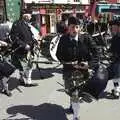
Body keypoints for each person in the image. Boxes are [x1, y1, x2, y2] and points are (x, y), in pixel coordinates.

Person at [56, 16, 99, 120]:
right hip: (69, 71)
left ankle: (76, 116)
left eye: (76, 27)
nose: (74, 30)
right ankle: (73, 106)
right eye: (72, 27)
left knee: (76, 94)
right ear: (68, 27)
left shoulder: (86, 38)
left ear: (79, 28)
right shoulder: (63, 39)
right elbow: (58, 55)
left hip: (83, 72)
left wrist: (89, 64)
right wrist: (70, 63)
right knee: (72, 93)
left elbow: (96, 53)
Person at [10, 13, 38, 87]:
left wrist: (34, 41)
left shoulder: (26, 24)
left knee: (28, 66)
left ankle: (23, 80)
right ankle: (27, 82)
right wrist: (24, 45)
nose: (31, 17)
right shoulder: (17, 24)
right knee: (25, 66)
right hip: (21, 50)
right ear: (25, 16)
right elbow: (14, 37)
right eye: (29, 15)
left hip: (29, 49)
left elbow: (29, 35)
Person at [109, 20, 120, 99]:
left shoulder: (116, 37)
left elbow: (113, 49)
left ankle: (116, 92)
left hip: (117, 60)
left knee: (115, 76)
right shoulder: (115, 37)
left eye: (114, 27)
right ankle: (117, 89)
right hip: (115, 58)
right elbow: (112, 48)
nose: (112, 29)